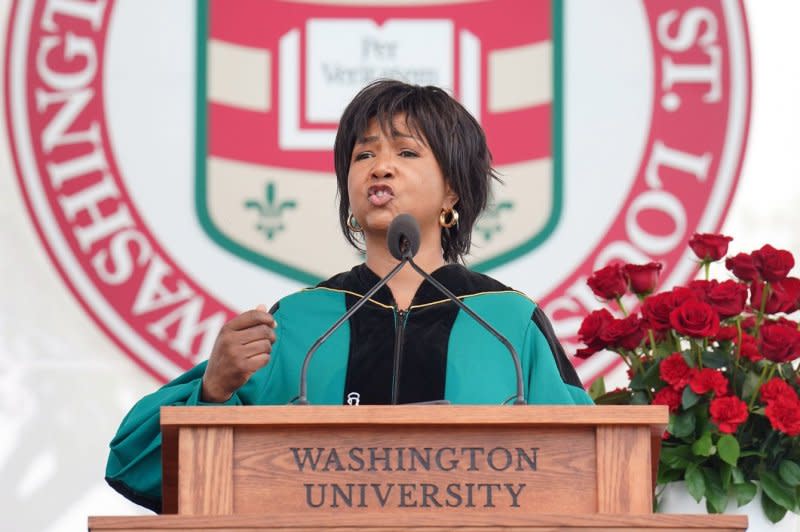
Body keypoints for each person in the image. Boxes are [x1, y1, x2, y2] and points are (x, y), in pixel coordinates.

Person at [105, 80, 593, 512]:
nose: (380, 167)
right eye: (364, 155)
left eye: (405, 153)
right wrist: (213, 390)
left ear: (452, 193)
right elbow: (138, 461)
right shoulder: (299, 322)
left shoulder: (508, 323)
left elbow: (590, 465)